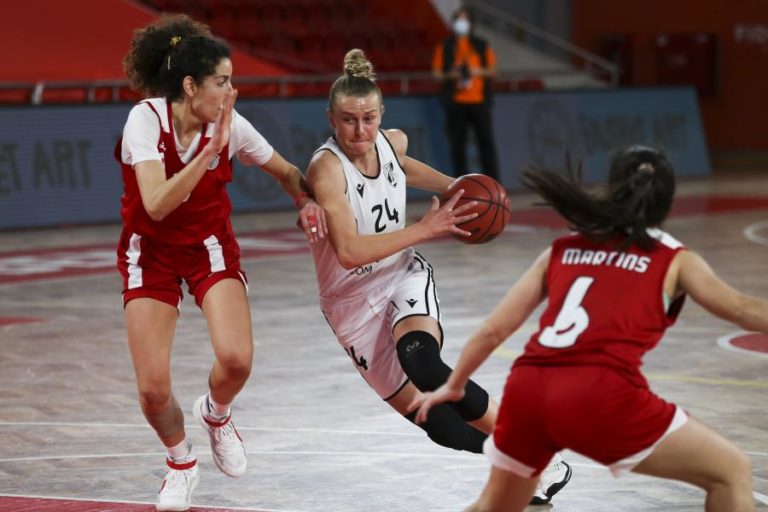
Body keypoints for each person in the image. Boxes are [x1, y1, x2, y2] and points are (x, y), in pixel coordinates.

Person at [411, 145, 764, 512]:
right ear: (666, 201)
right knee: (731, 472)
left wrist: (454, 386)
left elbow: (492, 331)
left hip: (528, 393)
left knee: (493, 507)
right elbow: (741, 309)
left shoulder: (564, 248)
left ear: (611, 188)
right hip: (601, 395)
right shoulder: (675, 259)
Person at [305, 48, 571, 506]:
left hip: (400, 276)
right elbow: (348, 252)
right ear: (331, 119)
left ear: (381, 115)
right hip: (350, 304)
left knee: (424, 363)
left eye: (369, 119)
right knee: (442, 427)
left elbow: (401, 165)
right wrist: (426, 228)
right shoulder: (326, 169)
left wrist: (455, 187)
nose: (360, 131)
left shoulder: (392, 142)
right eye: (348, 120)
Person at [116, 15, 326, 512]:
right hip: (150, 251)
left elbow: (286, 171)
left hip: (208, 245)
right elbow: (156, 204)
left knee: (236, 360)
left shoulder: (234, 126)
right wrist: (209, 150)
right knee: (152, 391)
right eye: (222, 82)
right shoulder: (145, 121)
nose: (232, 92)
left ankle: (216, 413)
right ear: (190, 86)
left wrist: (306, 201)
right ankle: (180, 463)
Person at [432, 6, 499, 181]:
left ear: (471, 23)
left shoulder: (481, 45)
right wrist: (451, 75)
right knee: (457, 147)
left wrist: (477, 71)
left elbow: (493, 71)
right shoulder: (445, 46)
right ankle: (461, 184)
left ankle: (493, 183)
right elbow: (436, 74)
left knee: (486, 143)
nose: (462, 23)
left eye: (465, 19)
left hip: (479, 102)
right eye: (459, 19)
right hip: (455, 104)